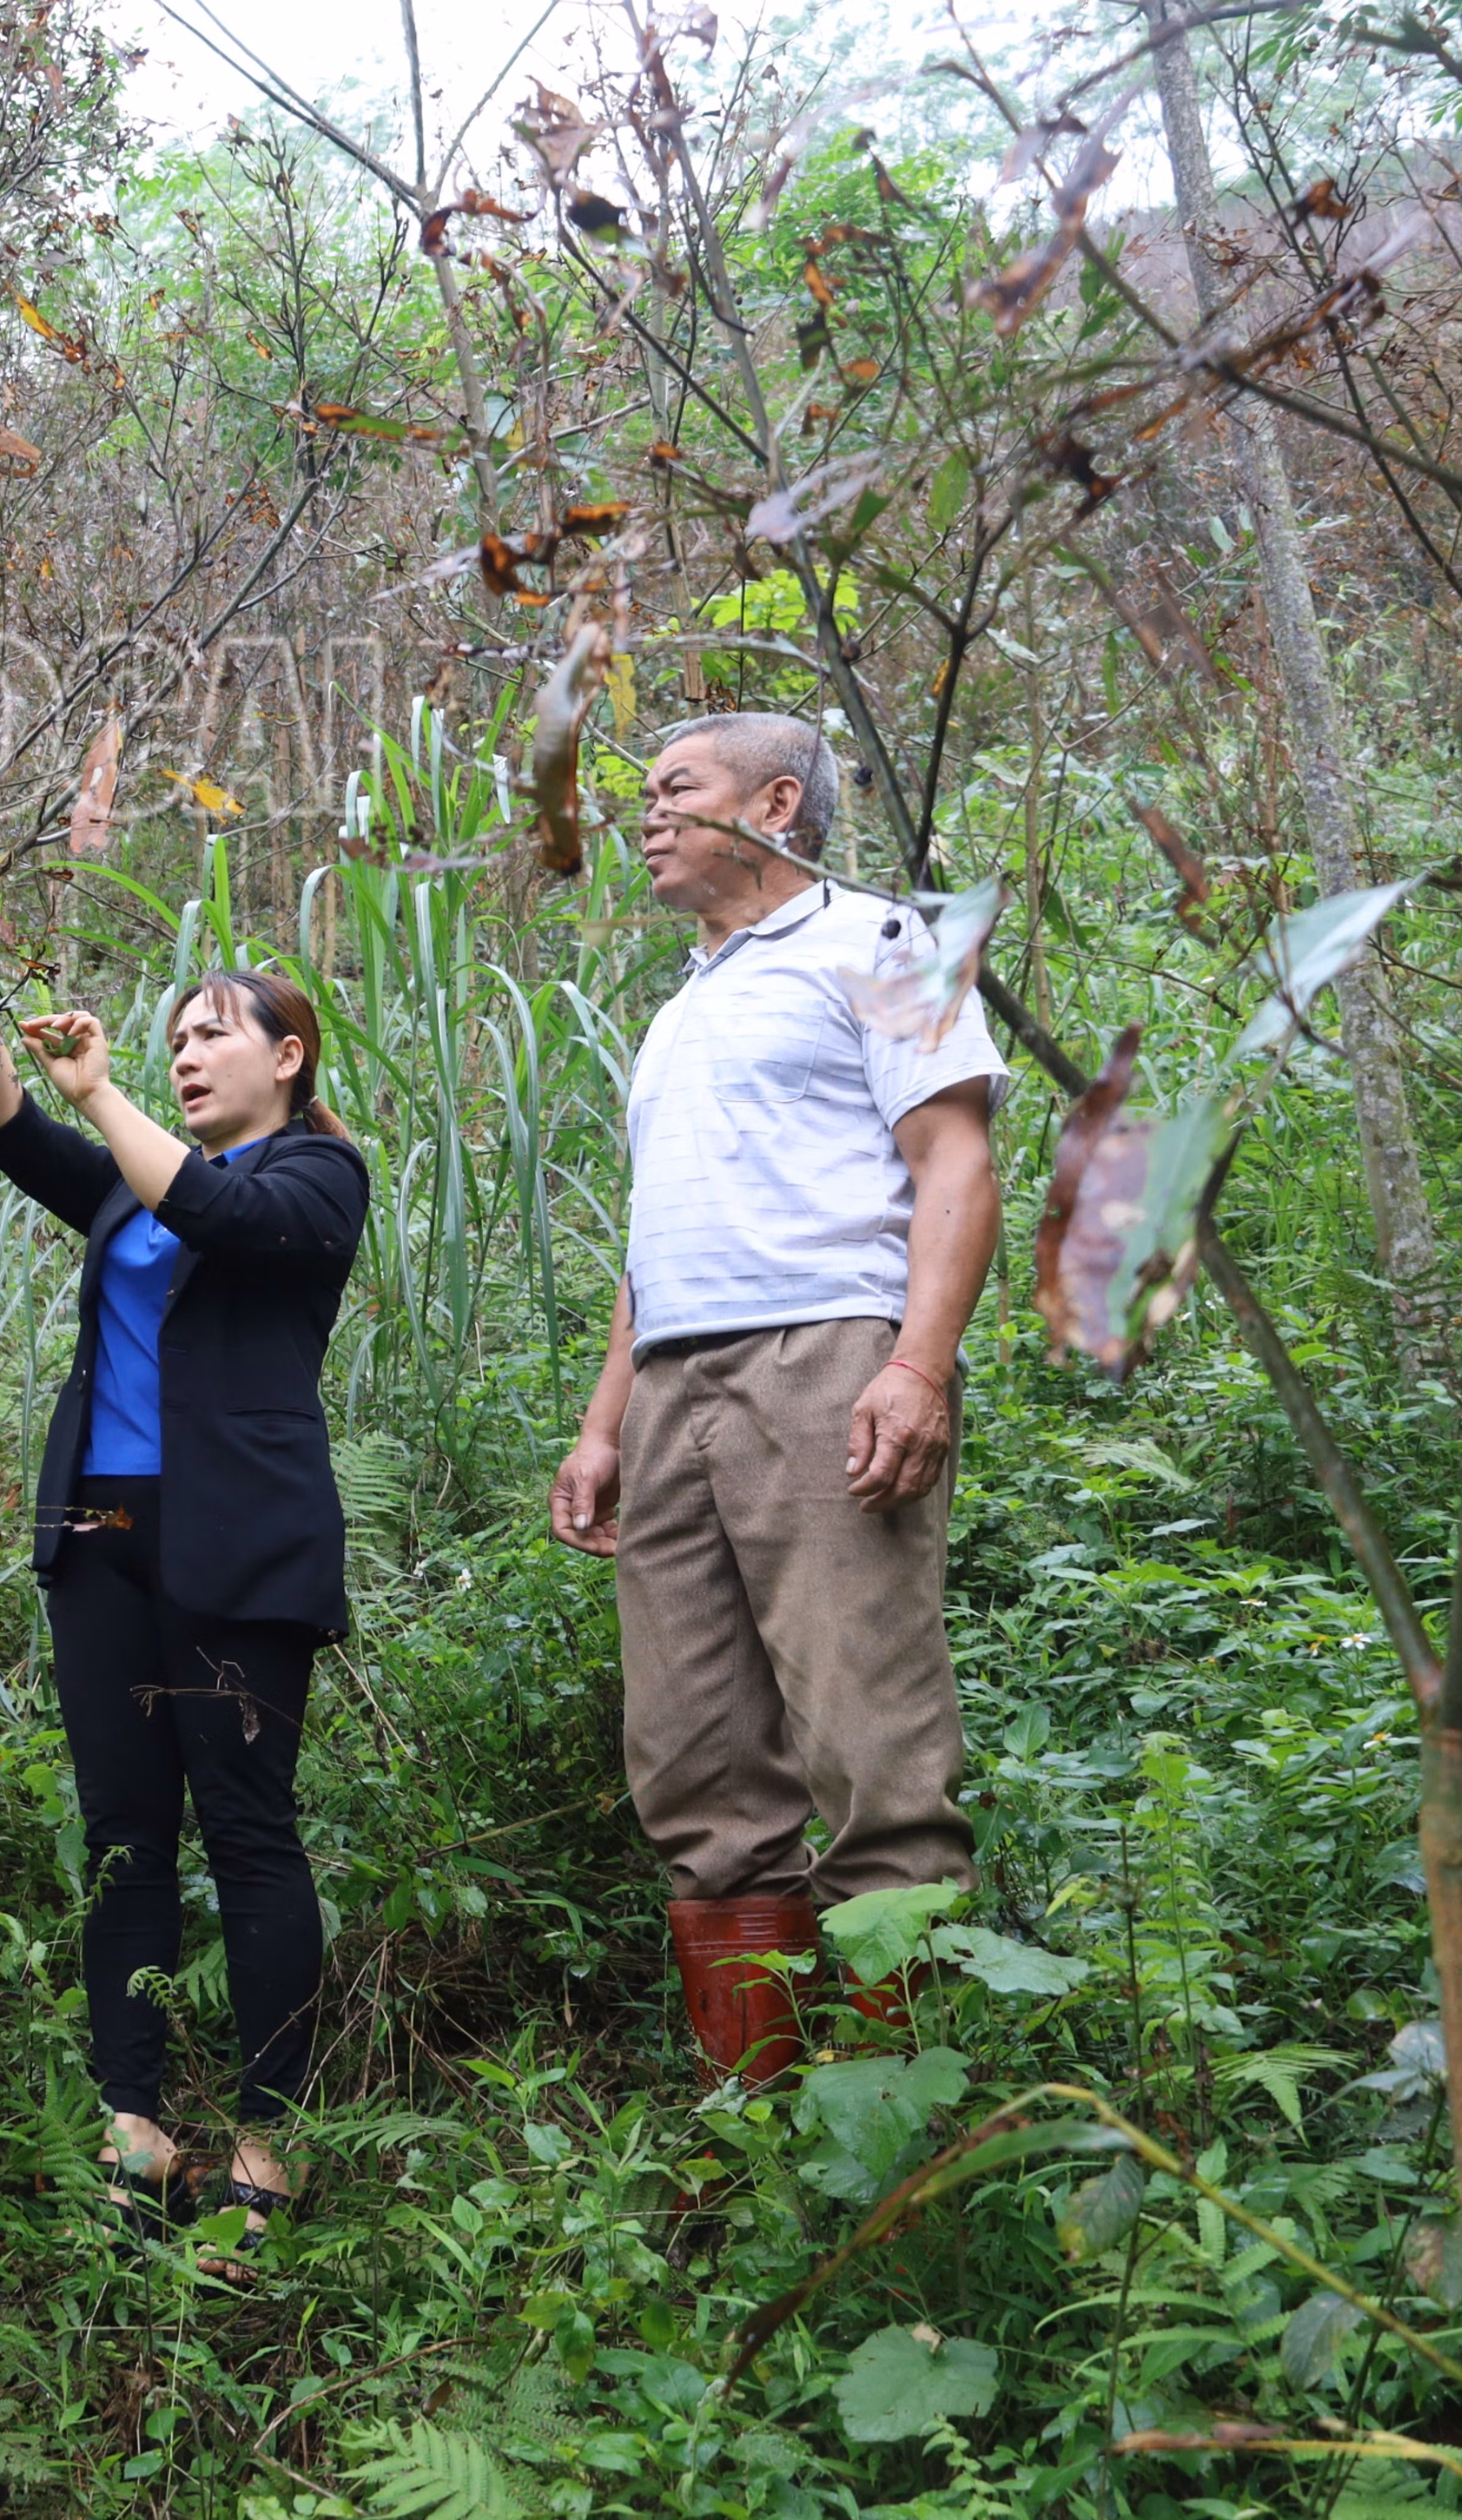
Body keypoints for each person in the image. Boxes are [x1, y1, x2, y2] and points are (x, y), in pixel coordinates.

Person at [546, 712, 1003, 2089]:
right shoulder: (682, 1008)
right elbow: (656, 1240)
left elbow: (956, 1162)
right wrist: (603, 1421)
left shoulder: (875, 943)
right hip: (677, 1384)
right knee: (694, 1765)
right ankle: (761, 2135)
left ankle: (893, 2160)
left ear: (778, 801)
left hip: (825, 1363)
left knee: (871, 1744)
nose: (645, 814)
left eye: (675, 788)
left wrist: (916, 1365)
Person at [0, 928, 368, 2255]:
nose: (182, 1053)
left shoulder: (317, 1172)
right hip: (100, 1523)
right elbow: (0, 1121)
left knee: (247, 1830)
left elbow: (217, 1213)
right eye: (171, 1037)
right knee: (125, 1829)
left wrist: (104, 1095)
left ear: (286, 1059)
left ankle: (267, 2133)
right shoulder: (127, 1183)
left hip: (235, 1537)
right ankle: (133, 2116)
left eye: (211, 1034)